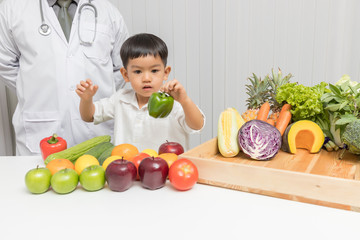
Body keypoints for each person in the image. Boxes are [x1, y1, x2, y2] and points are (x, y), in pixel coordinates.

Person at [0, 0, 129, 155]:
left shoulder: (107, 11)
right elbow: (5, 64)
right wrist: (35, 89)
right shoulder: (12, 8)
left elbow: (122, 67)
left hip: (95, 132)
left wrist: (92, 96)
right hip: (41, 129)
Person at [76, 33, 205, 151]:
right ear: (125, 75)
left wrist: (185, 100)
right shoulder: (120, 99)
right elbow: (89, 116)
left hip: (166, 172)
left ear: (165, 73)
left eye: (154, 71)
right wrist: (86, 100)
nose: (146, 79)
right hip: (127, 170)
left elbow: (197, 125)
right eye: (138, 72)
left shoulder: (174, 103)